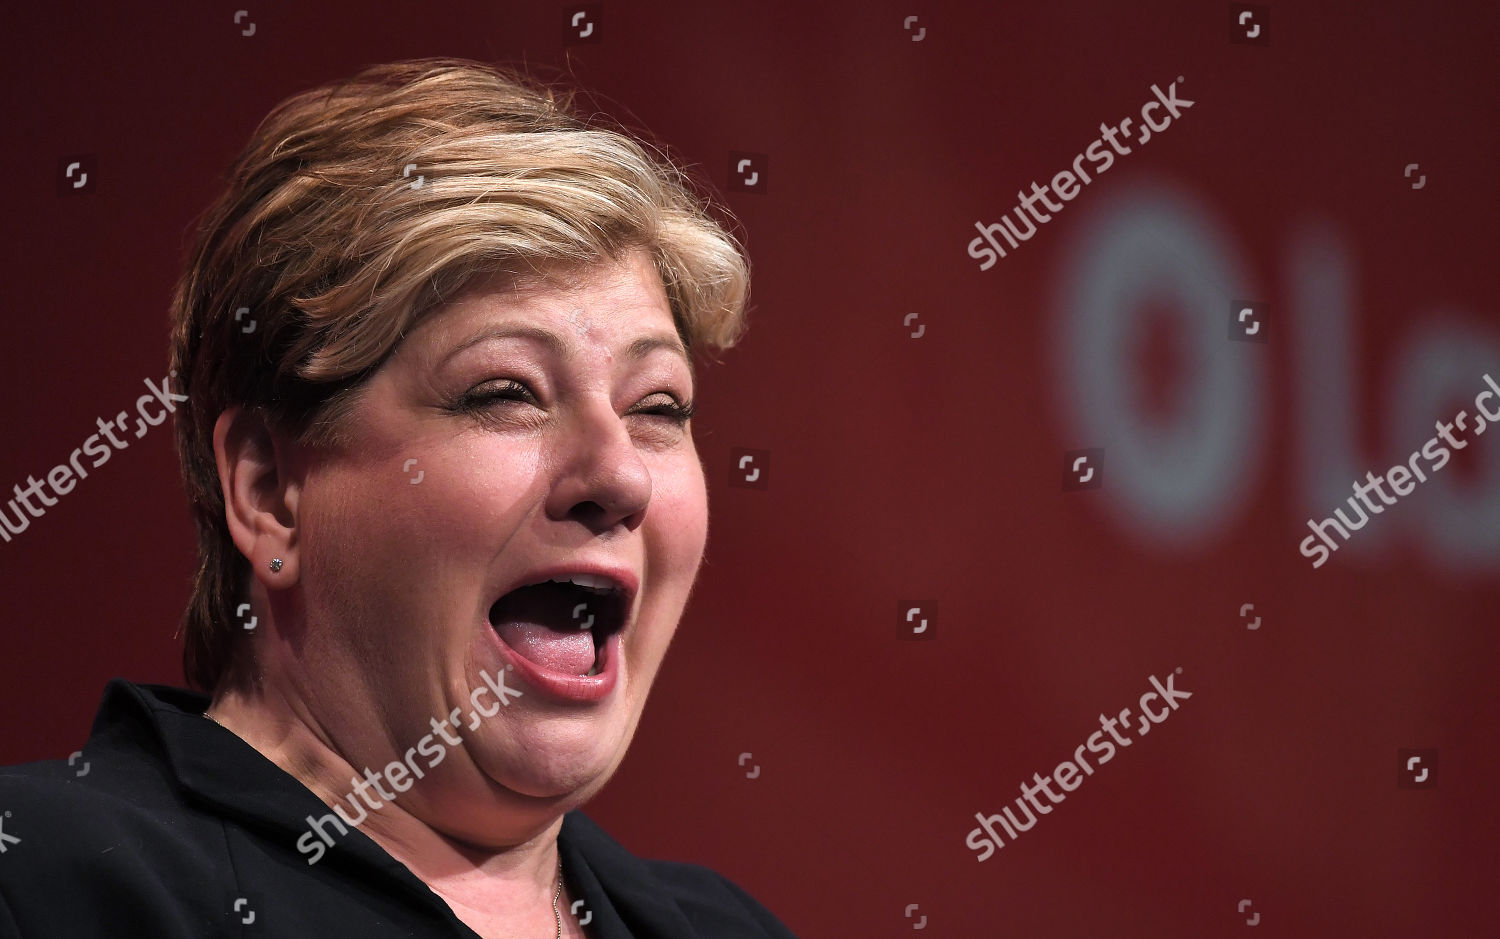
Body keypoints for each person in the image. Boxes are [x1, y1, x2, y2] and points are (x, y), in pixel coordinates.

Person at [0, 57, 796, 939]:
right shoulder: (45, 886)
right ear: (269, 490)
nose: (619, 477)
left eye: (659, 407)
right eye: (505, 392)